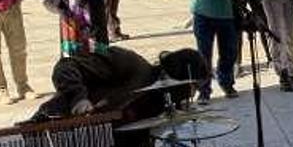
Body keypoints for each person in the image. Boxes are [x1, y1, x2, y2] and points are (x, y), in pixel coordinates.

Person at [32, 47, 207, 121]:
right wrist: (78, 97)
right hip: (57, 129)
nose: (192, 95)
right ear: (177, 79)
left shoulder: (157, 100)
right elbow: (66, 66)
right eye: (193, 87)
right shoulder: (127, 62)